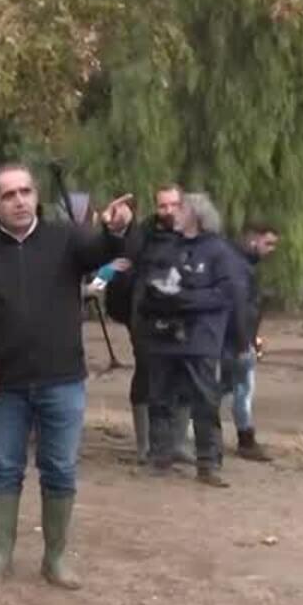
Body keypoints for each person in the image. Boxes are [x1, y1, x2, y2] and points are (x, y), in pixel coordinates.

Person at [0, 165, 133, 589]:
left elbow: (100, 250)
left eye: (26, 191)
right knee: (4, 468)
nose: (20, 200)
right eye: (9, 195)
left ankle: (55, 558)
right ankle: (1, 553)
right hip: (4, 382)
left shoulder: (64, 238)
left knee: (59, 469)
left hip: (61, 378)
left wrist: (114, 231)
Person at [136, 192, 246, 487]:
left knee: (204, 401)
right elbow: (148, 284)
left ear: (196, 215)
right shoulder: (166, 248)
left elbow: (226, 294)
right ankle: (160, 457)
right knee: (159, 398)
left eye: (180, 208)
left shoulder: (218, 252)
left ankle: (208, 463)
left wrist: (184, 299)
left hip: (200, 338)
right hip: (162, 336)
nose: (173, 212)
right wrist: (157, 300)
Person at [112, 185, 186, 464]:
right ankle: (145, 445)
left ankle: (177, 443)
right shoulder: (142, 235)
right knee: (146, 375)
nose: (168, 211)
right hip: (146, 316)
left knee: (184, 376)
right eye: (162, 205)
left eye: (173, 205)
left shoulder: (193, 234)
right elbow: (124, 268)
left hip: (184, 316)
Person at [227, 222, 281, 462]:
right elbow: (239, 308)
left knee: (222, 387)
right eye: (268, 243)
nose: (271, 249)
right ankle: (245, 440)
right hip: (235, 341)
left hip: (235, 338)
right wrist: (243, 342)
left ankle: (185, 435)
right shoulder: (240, 267)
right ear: (253, 240)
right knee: (242, 388)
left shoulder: (240, 264)